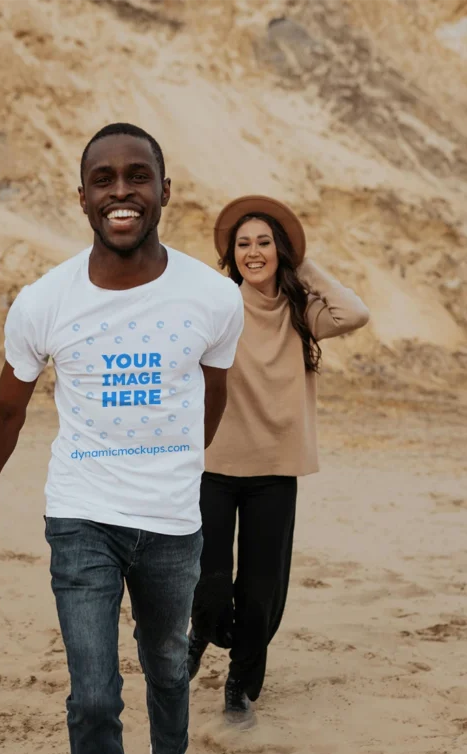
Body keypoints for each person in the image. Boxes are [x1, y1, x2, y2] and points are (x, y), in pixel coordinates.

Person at [0, 124, 243, 754]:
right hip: (79, 513)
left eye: (137, 177)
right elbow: (8, 407)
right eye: (103, 179)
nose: (121, 192)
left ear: (164, 189)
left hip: (169, 521)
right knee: (90, 693)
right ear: (81, 195)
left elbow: (211, 396)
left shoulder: (210, 298)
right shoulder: (44, 300)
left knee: (164, 662)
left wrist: (185, 469)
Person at [188, 195, 369, 721]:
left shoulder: (302, 311)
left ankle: (239, 686)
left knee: (261, 588)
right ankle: (200, 629)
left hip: (275, 470)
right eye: (243, 244)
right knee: (209, 576)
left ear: (280, 249)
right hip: (215, 466)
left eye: (264, 242)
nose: (253, 252)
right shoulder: (219, 303)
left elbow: (354, 312)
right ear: (232, 254)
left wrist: (302, 262)